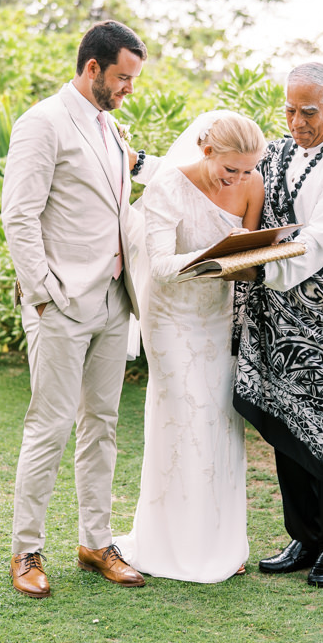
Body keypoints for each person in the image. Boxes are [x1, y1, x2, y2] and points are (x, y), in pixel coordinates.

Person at [1, 20, 149, 597]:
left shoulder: (111, 127)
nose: (129, 88)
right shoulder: (41, 123)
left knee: (103, 425)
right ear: (94, 70)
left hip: (115, 301)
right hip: (60, 303)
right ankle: (27, 550)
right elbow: (19, 215)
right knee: (50, 426)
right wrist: (42, 293)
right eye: (123, 77)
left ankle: (94, 541)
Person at [230, 61, 323, 588]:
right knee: (287, 419)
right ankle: (304, 536)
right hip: (280, 308)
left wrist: (256, 268)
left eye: (309, 111)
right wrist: (146, 166)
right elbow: (226, 172)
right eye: (289, 109)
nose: (297, 121)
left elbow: (319, 239)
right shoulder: (276, 151)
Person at [112, 111, 266, 583]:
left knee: (220, 421)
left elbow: (248, 258)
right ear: (205, 150)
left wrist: (255, 260)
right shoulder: (168, 187)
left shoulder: (252, 185)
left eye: (247, 170)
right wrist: (213, 263)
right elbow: (158, 265)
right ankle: (169, 544)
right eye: (230, 170)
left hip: (218, 318)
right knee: (183, 419)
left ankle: (219, 542)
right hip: (172, 317)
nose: (239, 179)